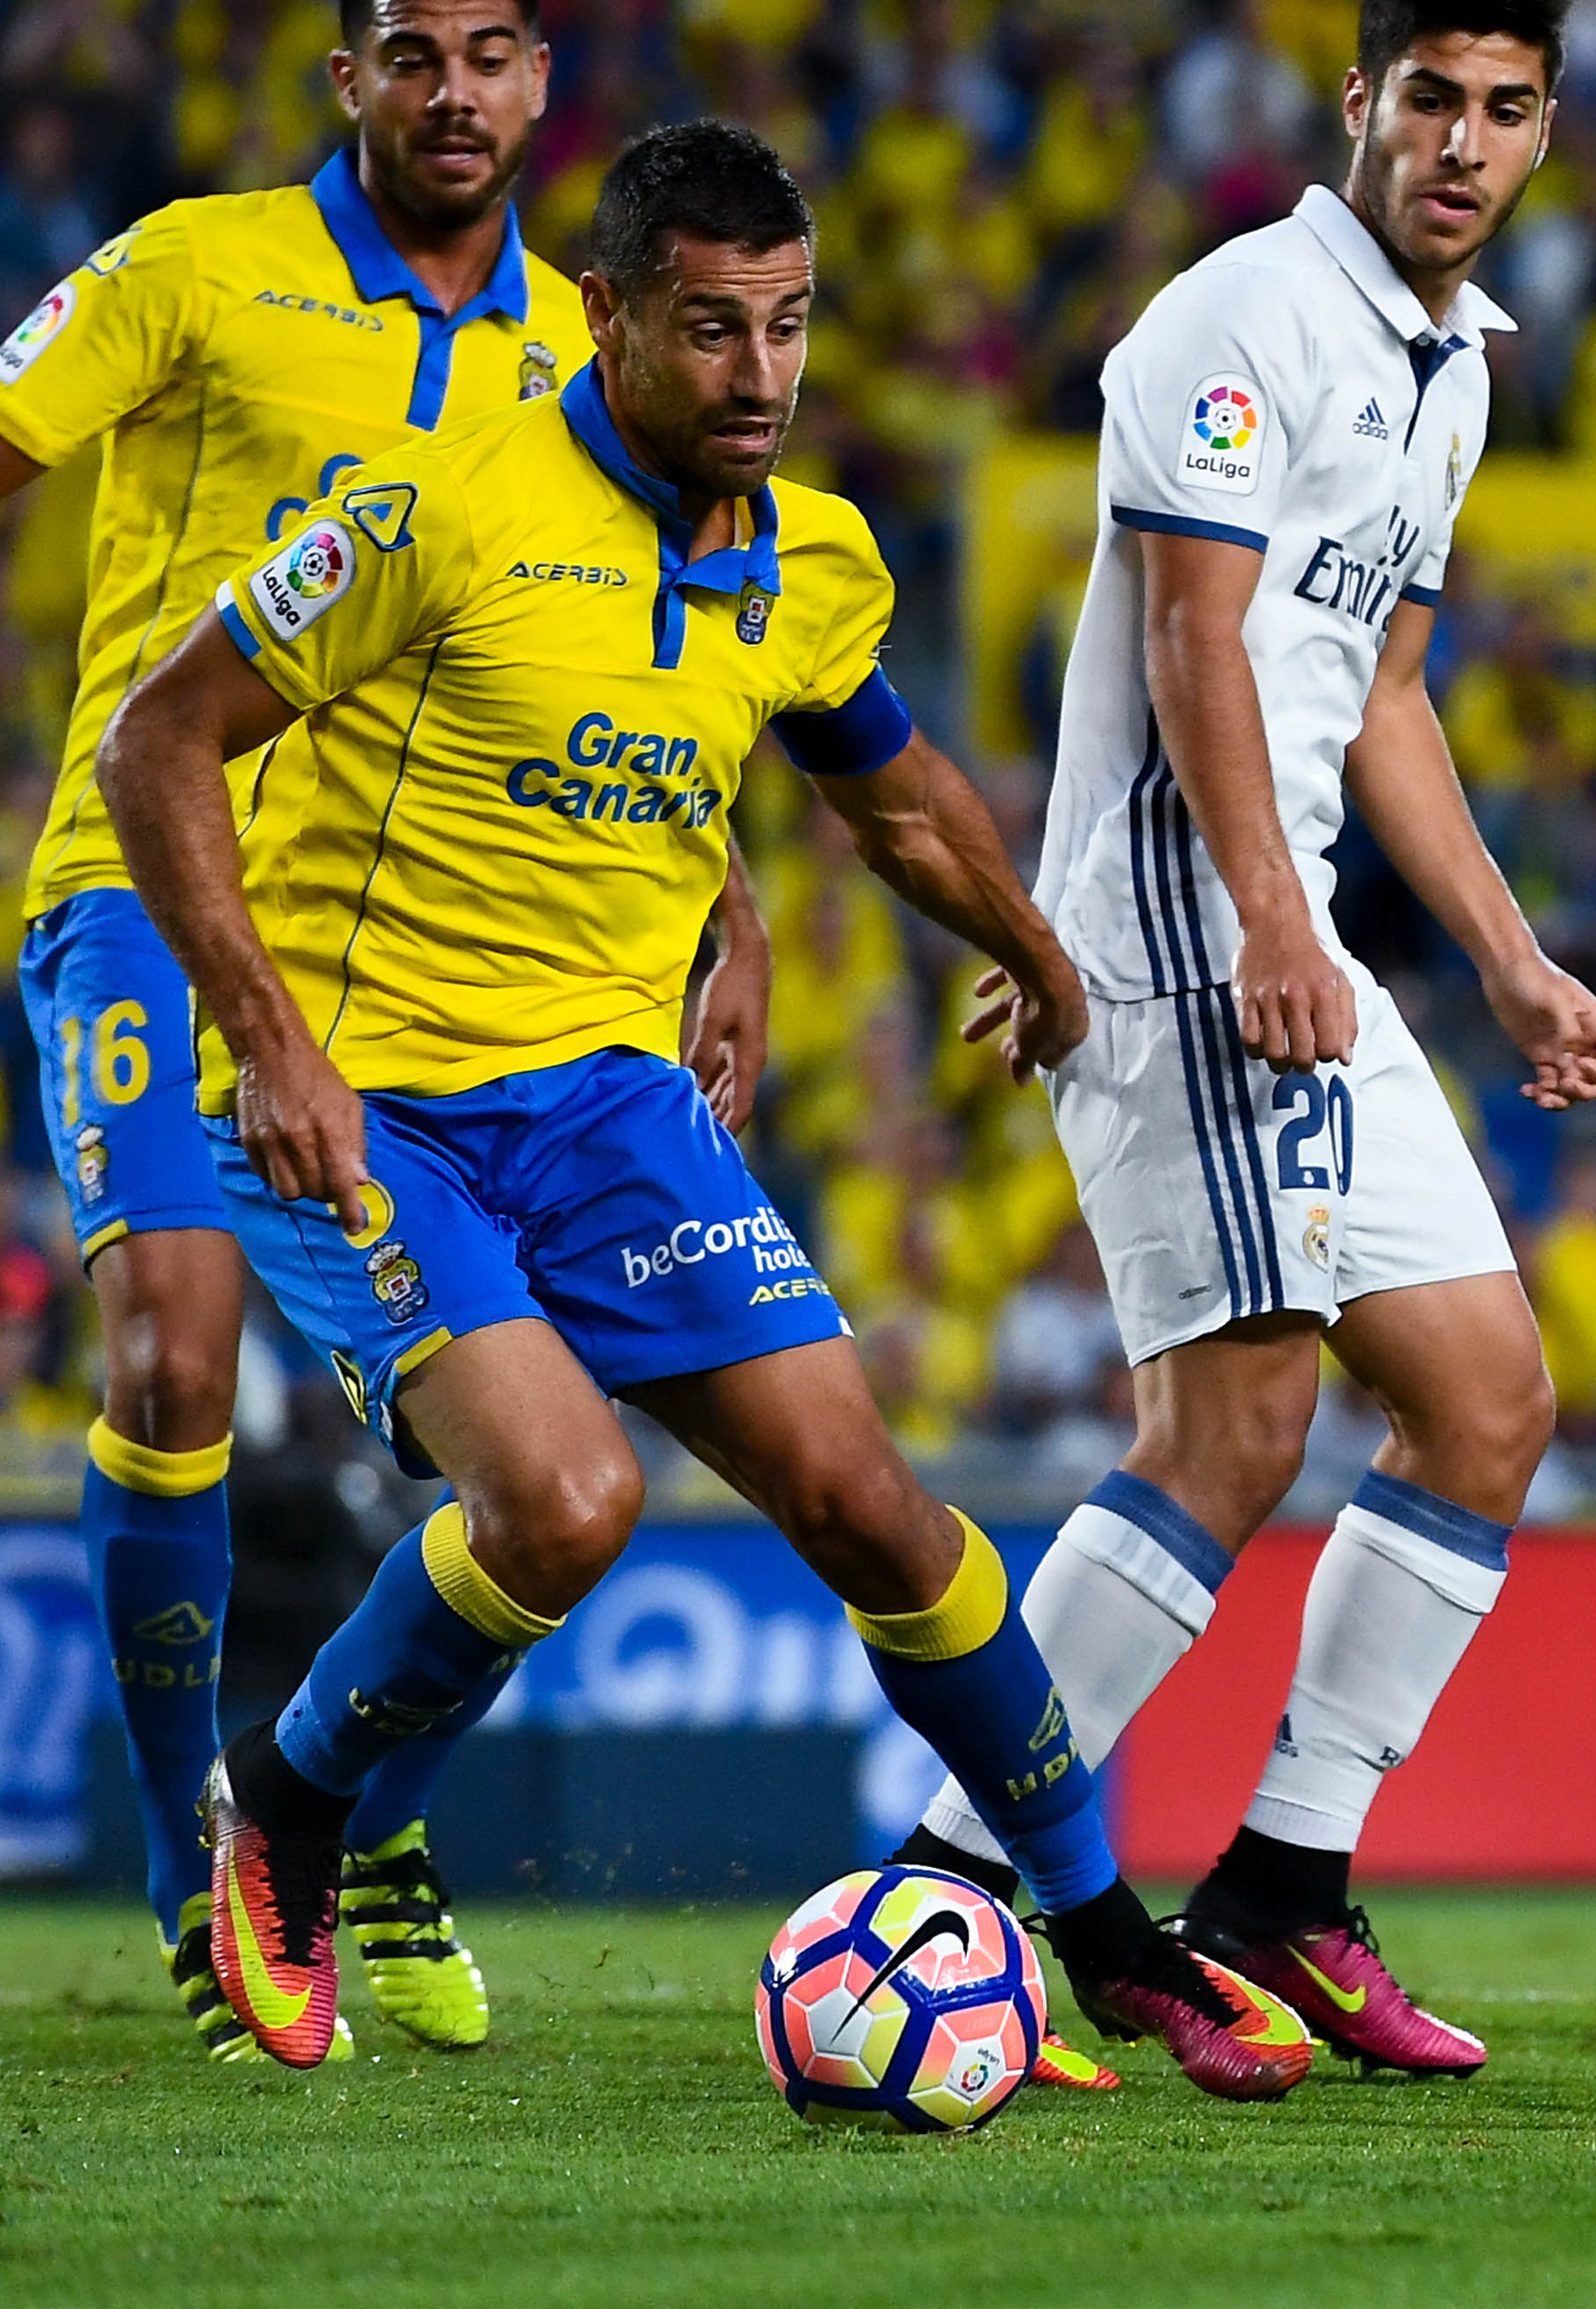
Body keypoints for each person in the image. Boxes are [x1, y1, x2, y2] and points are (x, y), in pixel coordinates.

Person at [94, 118, 1313, 2101]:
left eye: (791, 326)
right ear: (609, 317)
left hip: (613, 1107)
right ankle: (287, 1814)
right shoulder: (433, 510)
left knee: (877, 1511)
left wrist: (1037, 951)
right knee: (567, 1502)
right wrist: (271, 1043)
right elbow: (158, 743)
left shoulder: (809, 560)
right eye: (714, 328)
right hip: (371, 1096)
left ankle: (1106, 1943)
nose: (761, 374)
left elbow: (895, 799)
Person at [0, 0, 776, 2065]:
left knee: (522, 1450)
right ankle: (200, 1869)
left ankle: (361, 1831)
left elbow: (649, 650)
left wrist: (734, 904)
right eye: (411, 54)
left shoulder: (587, 343)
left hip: (414, 948)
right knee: (172, 1349)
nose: (454, 93)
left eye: (492, 55)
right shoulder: (198, 267)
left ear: (543, 83)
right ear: (350, 78)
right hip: (148, 893)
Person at [896, 0, 1596, 2080]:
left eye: (1506, 111)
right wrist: (1264, 925)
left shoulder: (1454, 368)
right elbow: (1192, 642)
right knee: (1228, 1430)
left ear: (1546, 134)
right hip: (1189, 931)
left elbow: (1380, 691)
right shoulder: (1237, 321)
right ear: (1360, 103)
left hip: (1290, 927)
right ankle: (948, 1889)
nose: (1465, 144)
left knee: (1488, 1397)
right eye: (1434, 100)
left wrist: (1505, 955)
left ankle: (1284, 1887)